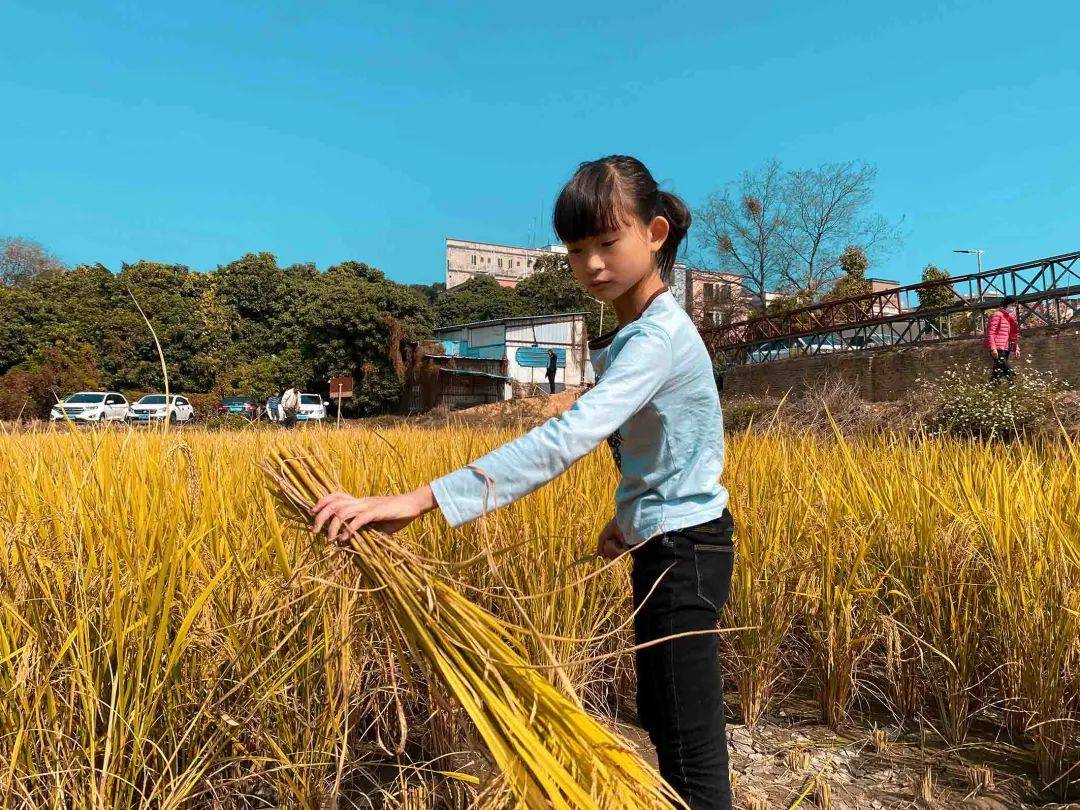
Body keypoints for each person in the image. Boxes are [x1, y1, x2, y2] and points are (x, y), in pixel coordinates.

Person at [312, 155, 735, 810]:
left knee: (687, 743)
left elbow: (567, 438)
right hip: (674, 543)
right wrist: (631, 520)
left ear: (653, 235)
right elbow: (676, 447)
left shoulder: (655, 337)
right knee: (667, 719)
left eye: (607, 241)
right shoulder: (638, 331)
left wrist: (421, 500)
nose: (591, 263)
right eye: (575, 250)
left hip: (686, 552)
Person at [985, 296, 1020, 382]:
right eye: (1013, 305)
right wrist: (993, 348)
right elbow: (990, 332)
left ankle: (991, 390)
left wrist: (1016, 348)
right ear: (1007, 304)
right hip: (998, 348)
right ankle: (1017, 387)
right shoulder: (997, 315)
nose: (1014, 307)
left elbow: (1012, 335)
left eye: (1016, 305)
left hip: (1006, 348)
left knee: (997, 373)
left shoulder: (1010, 318)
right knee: (1010, 372)